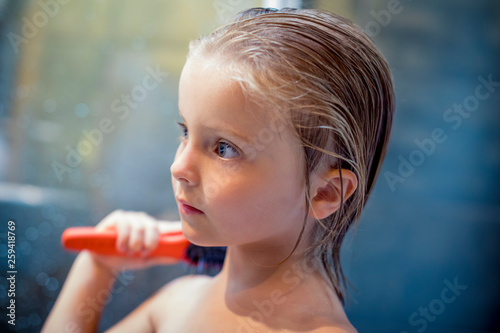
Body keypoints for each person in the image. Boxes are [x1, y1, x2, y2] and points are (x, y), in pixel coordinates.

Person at [43, 7, 394, 333]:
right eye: (185, 132)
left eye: (225, 149)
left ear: (324, 193)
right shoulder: (178, 302)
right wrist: (99, 266)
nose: (179, 167)